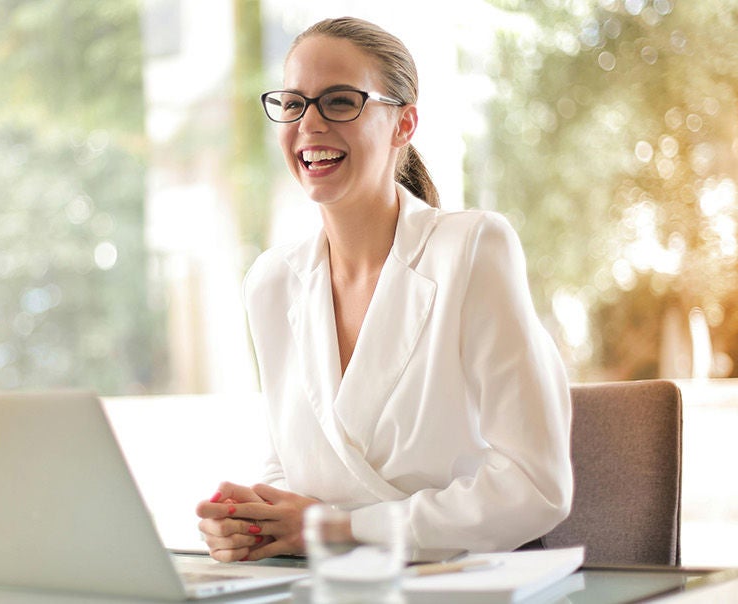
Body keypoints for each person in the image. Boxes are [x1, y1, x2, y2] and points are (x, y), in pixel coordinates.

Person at [195, 16, 572, 563]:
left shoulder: (471, 250)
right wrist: (253, 522)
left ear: (404, 123)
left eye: (340, 101)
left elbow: (536, 486)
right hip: (335, 585)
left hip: (463, 581)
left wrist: (340, 528)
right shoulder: (271, 283)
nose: (309, 124)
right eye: (294, 103)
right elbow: (291, 462)